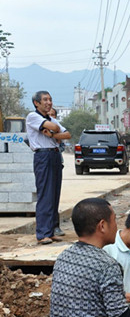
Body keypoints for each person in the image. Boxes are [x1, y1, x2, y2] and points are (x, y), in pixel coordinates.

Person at [26, 91, 71, 244]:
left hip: (55, 155)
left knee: (54, 194)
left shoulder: (51, 118)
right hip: (43, 156)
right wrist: (55, 130)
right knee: (45, 193)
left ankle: (51, 231)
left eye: (50, 99)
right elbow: (55, 127)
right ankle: (42, 233)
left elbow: (67, 135)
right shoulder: (33, 117)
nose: (49, 102)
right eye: (45, 100)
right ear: (36, 103)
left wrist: (51, 135)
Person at [48, 107, 66, 237]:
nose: (51, 117)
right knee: (46, 196)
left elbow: (62, 145)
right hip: (44, 163)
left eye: (53, 115)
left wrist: (55, 137)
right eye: (49, 115)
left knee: (55, 196)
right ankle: (46, 227)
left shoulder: (58, 129)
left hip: (56, 163)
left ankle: (55, 226)